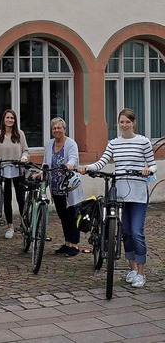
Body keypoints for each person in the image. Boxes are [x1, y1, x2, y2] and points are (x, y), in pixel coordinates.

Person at [79, 109, 156, 287]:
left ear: (133, 123)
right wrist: (87, 167)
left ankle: (142, 273)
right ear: (118, 123)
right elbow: (102, 161)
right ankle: (132, 268)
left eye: (127, 122)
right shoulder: (114, 143)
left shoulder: (143, 142)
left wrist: (148, 170)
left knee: (137, 232)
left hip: (138, 194)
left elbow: (152, 165)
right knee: (126, 233)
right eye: (121, 122)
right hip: (120, 194)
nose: (124, 125)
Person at [0, 109, 29, 239]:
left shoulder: (20, 134)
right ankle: (10, 226)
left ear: (15, 120)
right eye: (8, 118)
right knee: (6, 198)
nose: (10, 120)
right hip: (2, 169)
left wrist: (24, 158)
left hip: (17, 169)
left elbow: (25, 150)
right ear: (3, 119)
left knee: (21, 198)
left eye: (12, 118)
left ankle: (25, 224)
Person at [43, 117, 84, 258]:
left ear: (64, 129)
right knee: (63, 216)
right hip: (55, 186)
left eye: (59, 128)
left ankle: (75, 245)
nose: (57, 130)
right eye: (54, 128)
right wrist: (40, 173)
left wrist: (70, 164)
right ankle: (67, 243)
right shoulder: (49, 145)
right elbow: (45, 163)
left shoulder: (71, 143)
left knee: (72, 215)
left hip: (69, 186)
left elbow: (73, 158)